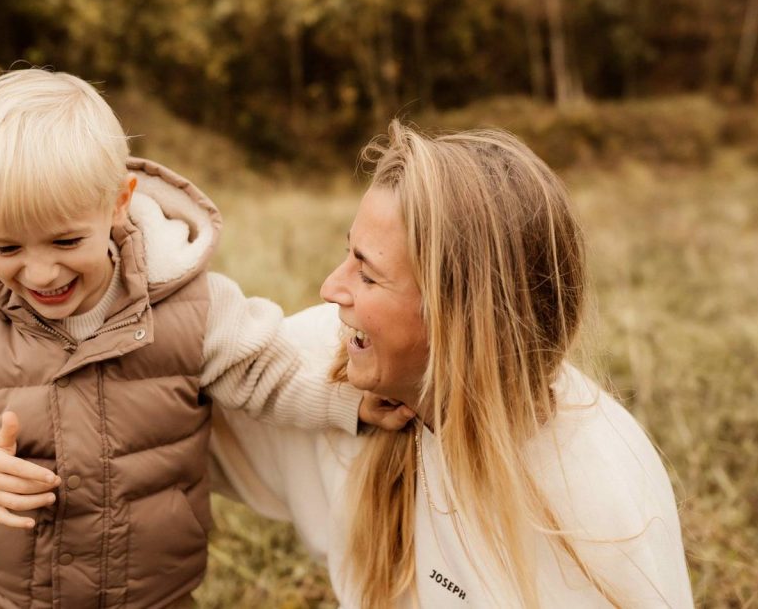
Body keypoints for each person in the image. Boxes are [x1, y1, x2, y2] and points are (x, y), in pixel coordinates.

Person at [0, 68, 377, 609]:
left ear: (118, 202)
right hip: (9, 595)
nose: (39, 273)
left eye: (65, 240)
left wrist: (352, 401)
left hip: (151, 593)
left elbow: (267, 375)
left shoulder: (190, 306)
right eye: (7, 249)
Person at [209, 122, 694, 607]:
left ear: (457, 318)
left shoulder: (597, 505)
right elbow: (165, 382)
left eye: (369, 274)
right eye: (347, 253)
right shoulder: (329, 363)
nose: (332, 288)